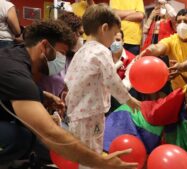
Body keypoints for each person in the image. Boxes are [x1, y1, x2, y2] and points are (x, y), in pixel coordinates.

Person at [0, 19, 137, 169]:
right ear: (44, 46)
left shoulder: (17, 54)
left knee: (54, 146)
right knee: (23, 138)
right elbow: (49, 133)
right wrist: (101, 162)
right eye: (61, 53)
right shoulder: (14, 72)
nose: (62, 61)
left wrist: (42, 95)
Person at [64, 4, 141, 168]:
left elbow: (69, 78)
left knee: (83, 155)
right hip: (91, 114)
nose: (114, 40)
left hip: (76, 114)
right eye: (114, 34)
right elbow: (112, 80)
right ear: (104, 28)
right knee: (93, 156)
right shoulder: (102, 51)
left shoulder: (82, 51)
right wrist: (128, 100)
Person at [140, 9, 187, 90]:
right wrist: (148, 51)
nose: (182, 24)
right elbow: (158, 47)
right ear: (176, 25)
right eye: (179, 21)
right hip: (178, 90)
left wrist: (181, 67)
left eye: (186, 21)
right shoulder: (171, 39)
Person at [38, 11, 84, 98]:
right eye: (80, 34)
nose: (81, 38)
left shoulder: (73, 58)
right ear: (70, 33)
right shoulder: (50, 55)